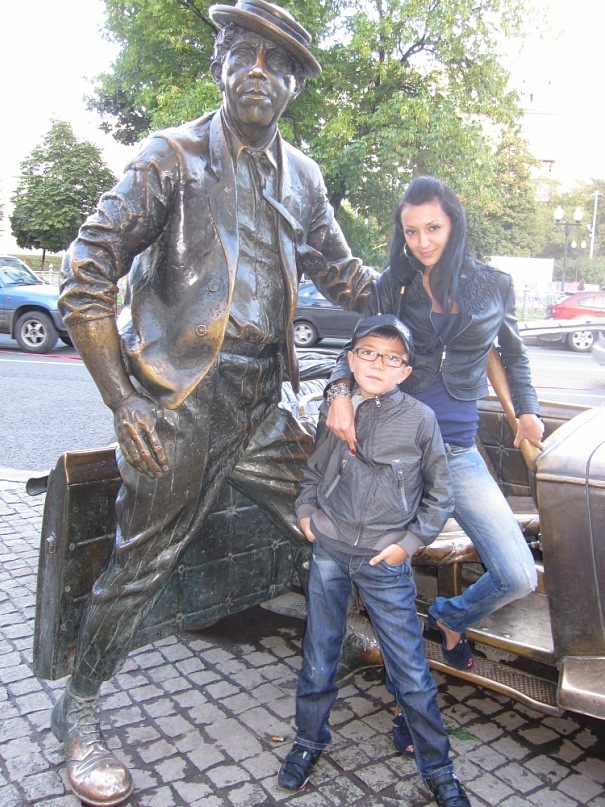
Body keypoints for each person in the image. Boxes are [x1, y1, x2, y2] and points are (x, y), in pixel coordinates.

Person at [53, 3, 375, 804]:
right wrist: (124, 400)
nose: (258, 72)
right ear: (220, 66)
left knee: (329, 519)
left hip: (265, 397)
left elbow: (344, 276)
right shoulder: (169, 157)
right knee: (140, 563)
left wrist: (427, 283)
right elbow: (85, 275)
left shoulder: (304, 177)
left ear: (295, 85)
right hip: (182, 400)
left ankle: (341, 634)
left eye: (278, 63)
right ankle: (80, 707)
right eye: (244, 55)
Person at [326, 177, 542, 695]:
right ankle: (406, 689)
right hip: (395, 450)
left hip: (458, 454)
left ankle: (449, 616)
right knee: (386, 570)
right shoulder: (393, 285)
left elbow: (513, 357)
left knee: (518, 575)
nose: (422, 242)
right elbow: (354, 350)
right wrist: (339, 392)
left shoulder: (494, 284)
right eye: (411, 231)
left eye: (433, 228)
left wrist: (528, 413)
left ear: (453, 224)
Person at [278, 314, 471, 806]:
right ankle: (308, 742)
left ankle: (438, 767)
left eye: (391, 358)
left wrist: (408, 543)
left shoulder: (420, 420)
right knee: (319, 654)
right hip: (330, 550)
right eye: (367, 353)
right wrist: (306, 512)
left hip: (385, 561)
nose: (377, 364)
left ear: (405, 370)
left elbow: (440, 494)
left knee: (409, 666)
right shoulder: (337, 412)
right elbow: (314, 471)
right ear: (351, 359)